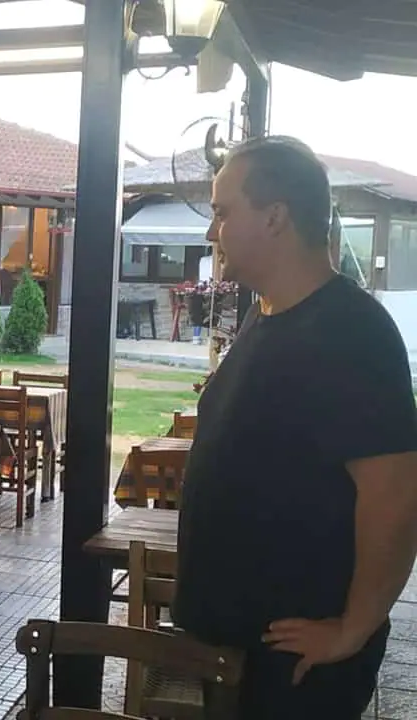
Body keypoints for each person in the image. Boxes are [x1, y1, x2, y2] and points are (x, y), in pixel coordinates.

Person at [173, 136, 417, 719]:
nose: (211, 233)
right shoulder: (266, 315)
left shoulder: (351, 331)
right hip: (235, 649)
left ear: (275, 217)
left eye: (222, 212)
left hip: (294, 664)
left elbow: (397, 494)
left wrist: (354, 627)